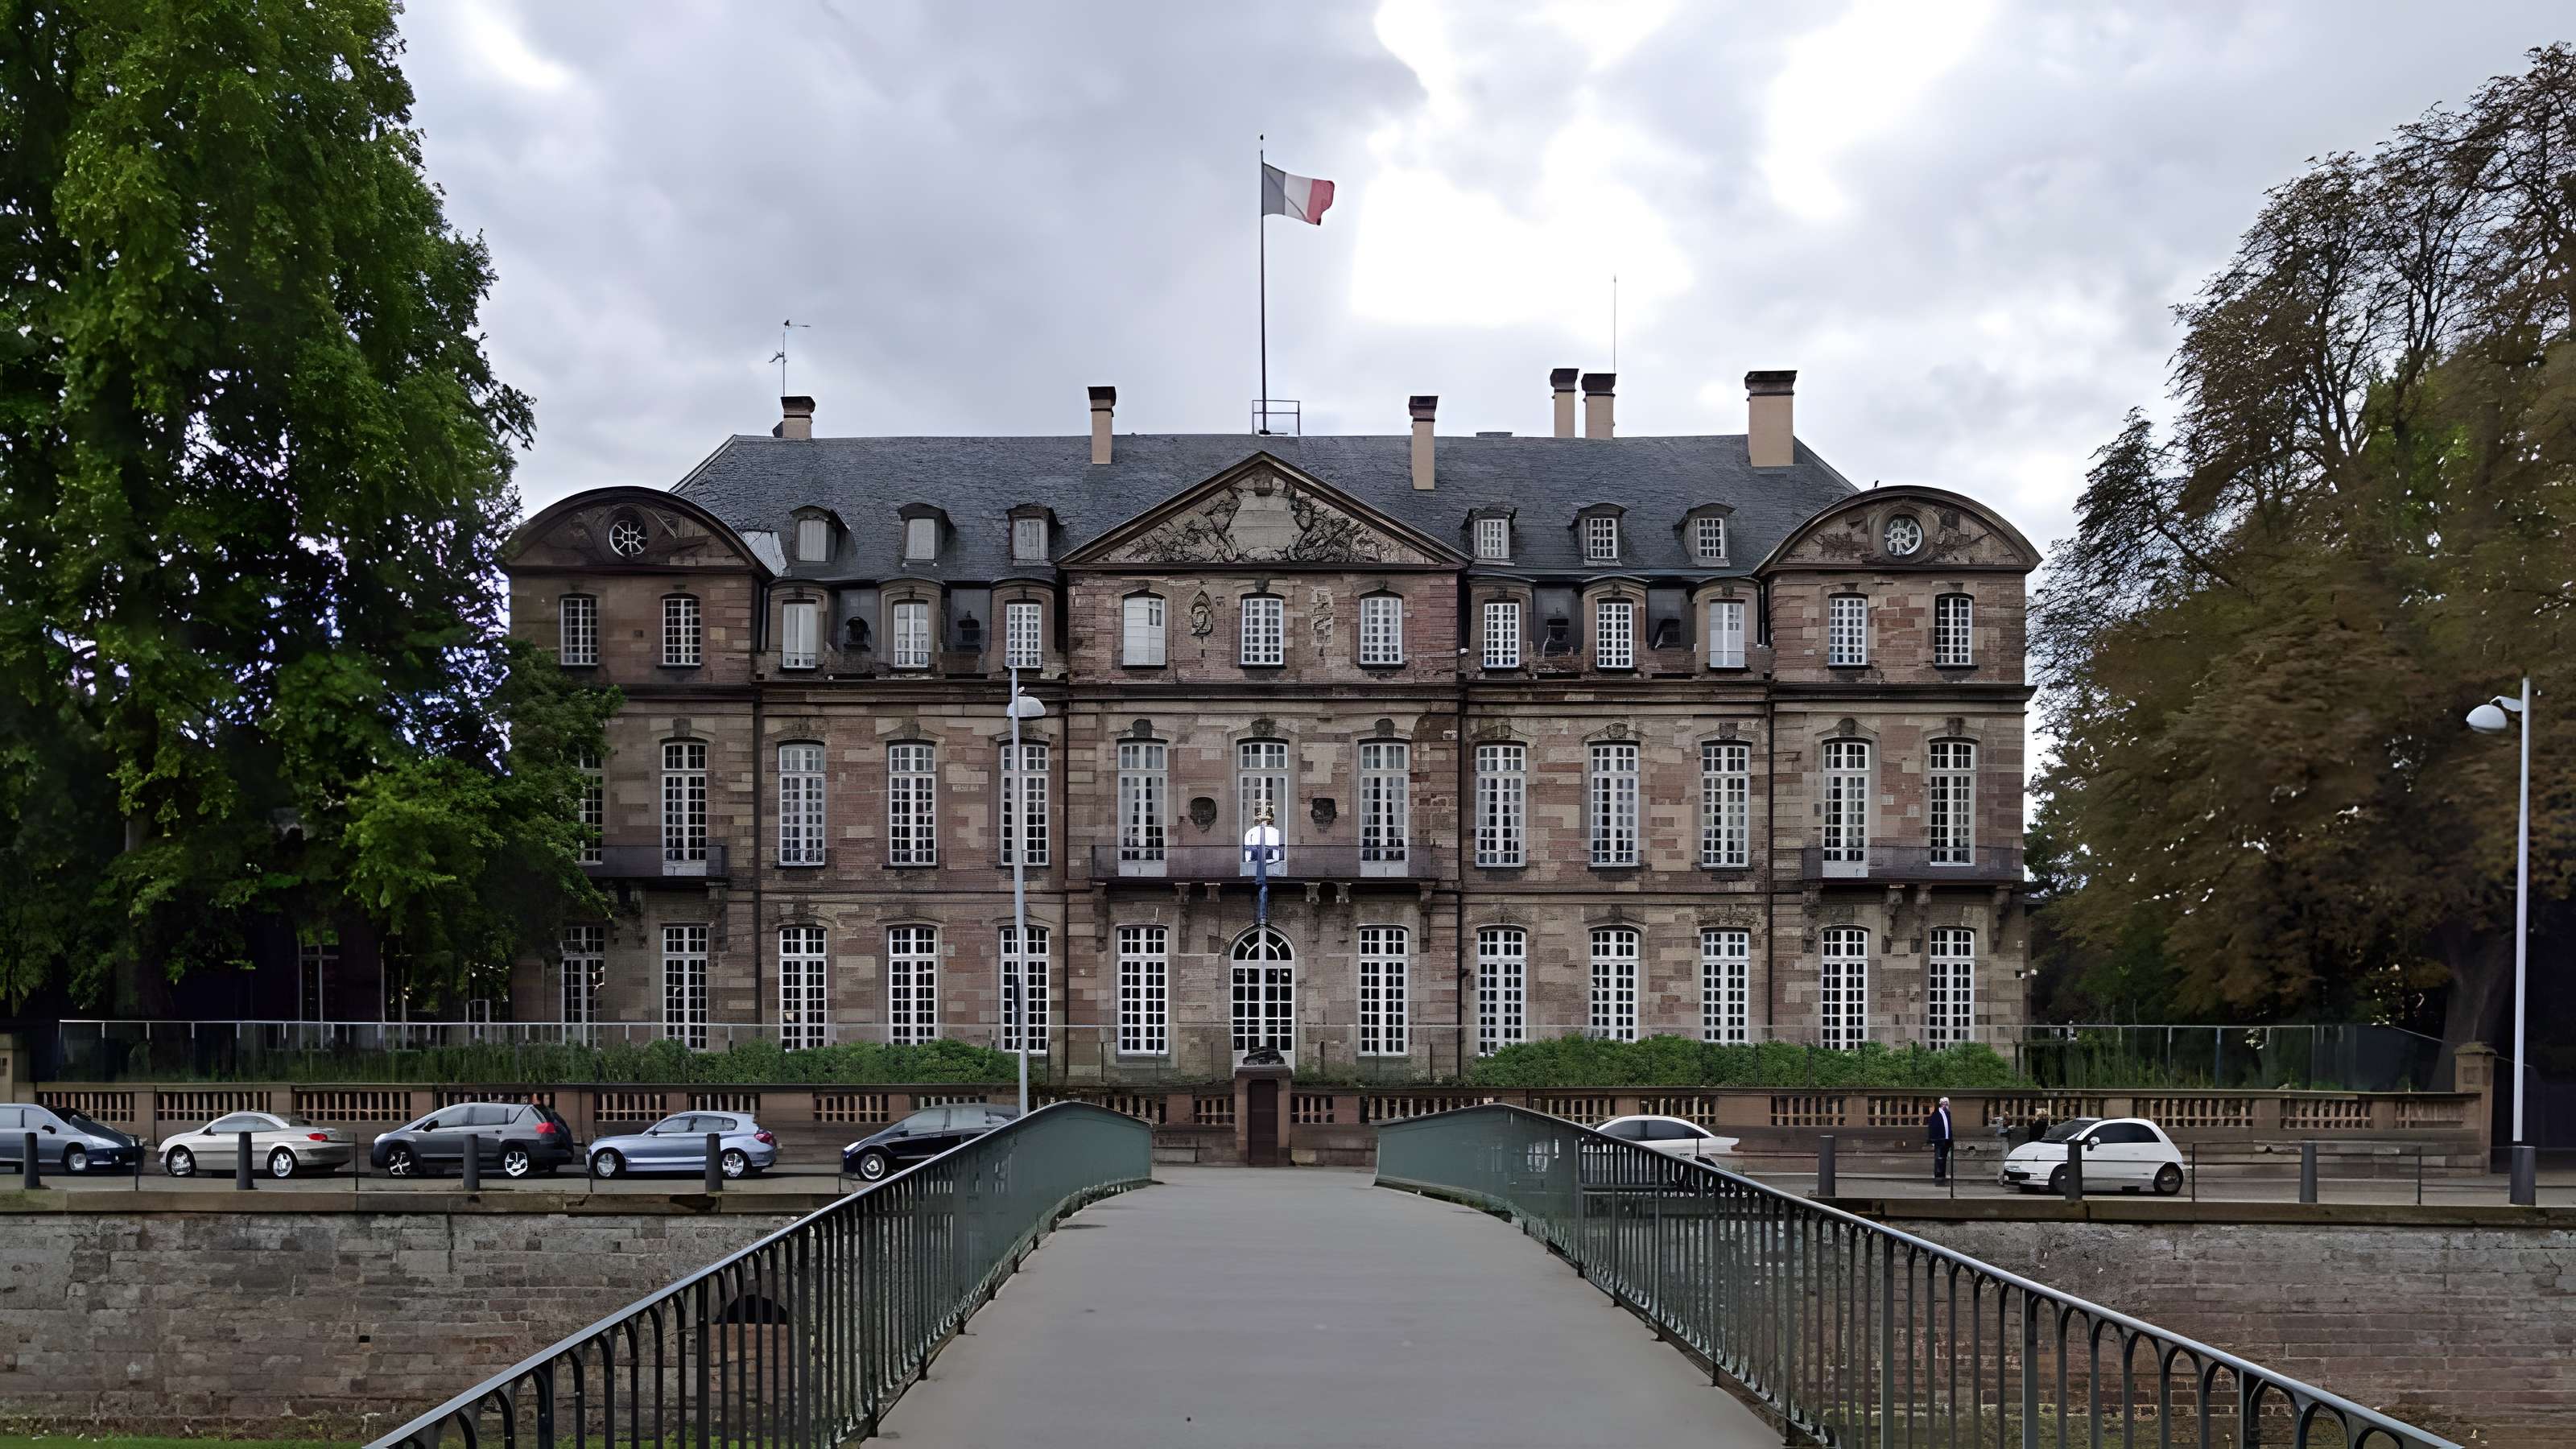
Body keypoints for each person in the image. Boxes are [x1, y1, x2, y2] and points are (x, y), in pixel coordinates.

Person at [1926, 1096, 1955, 1183]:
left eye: (1947, 1103)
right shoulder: (1936, 1114)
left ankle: (1943, 1175)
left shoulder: (1948, 1114)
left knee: (1944, 1158)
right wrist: (1933, 1140)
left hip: (1947, 1140)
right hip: (1939, 1140)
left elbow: (1949, 1128)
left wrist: (1951, 1139)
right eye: (1943, 1103)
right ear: (1940, 1104)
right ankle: (1938, 1177)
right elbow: (1932, 1128)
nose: (1945, 1105)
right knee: (1939, 1158)